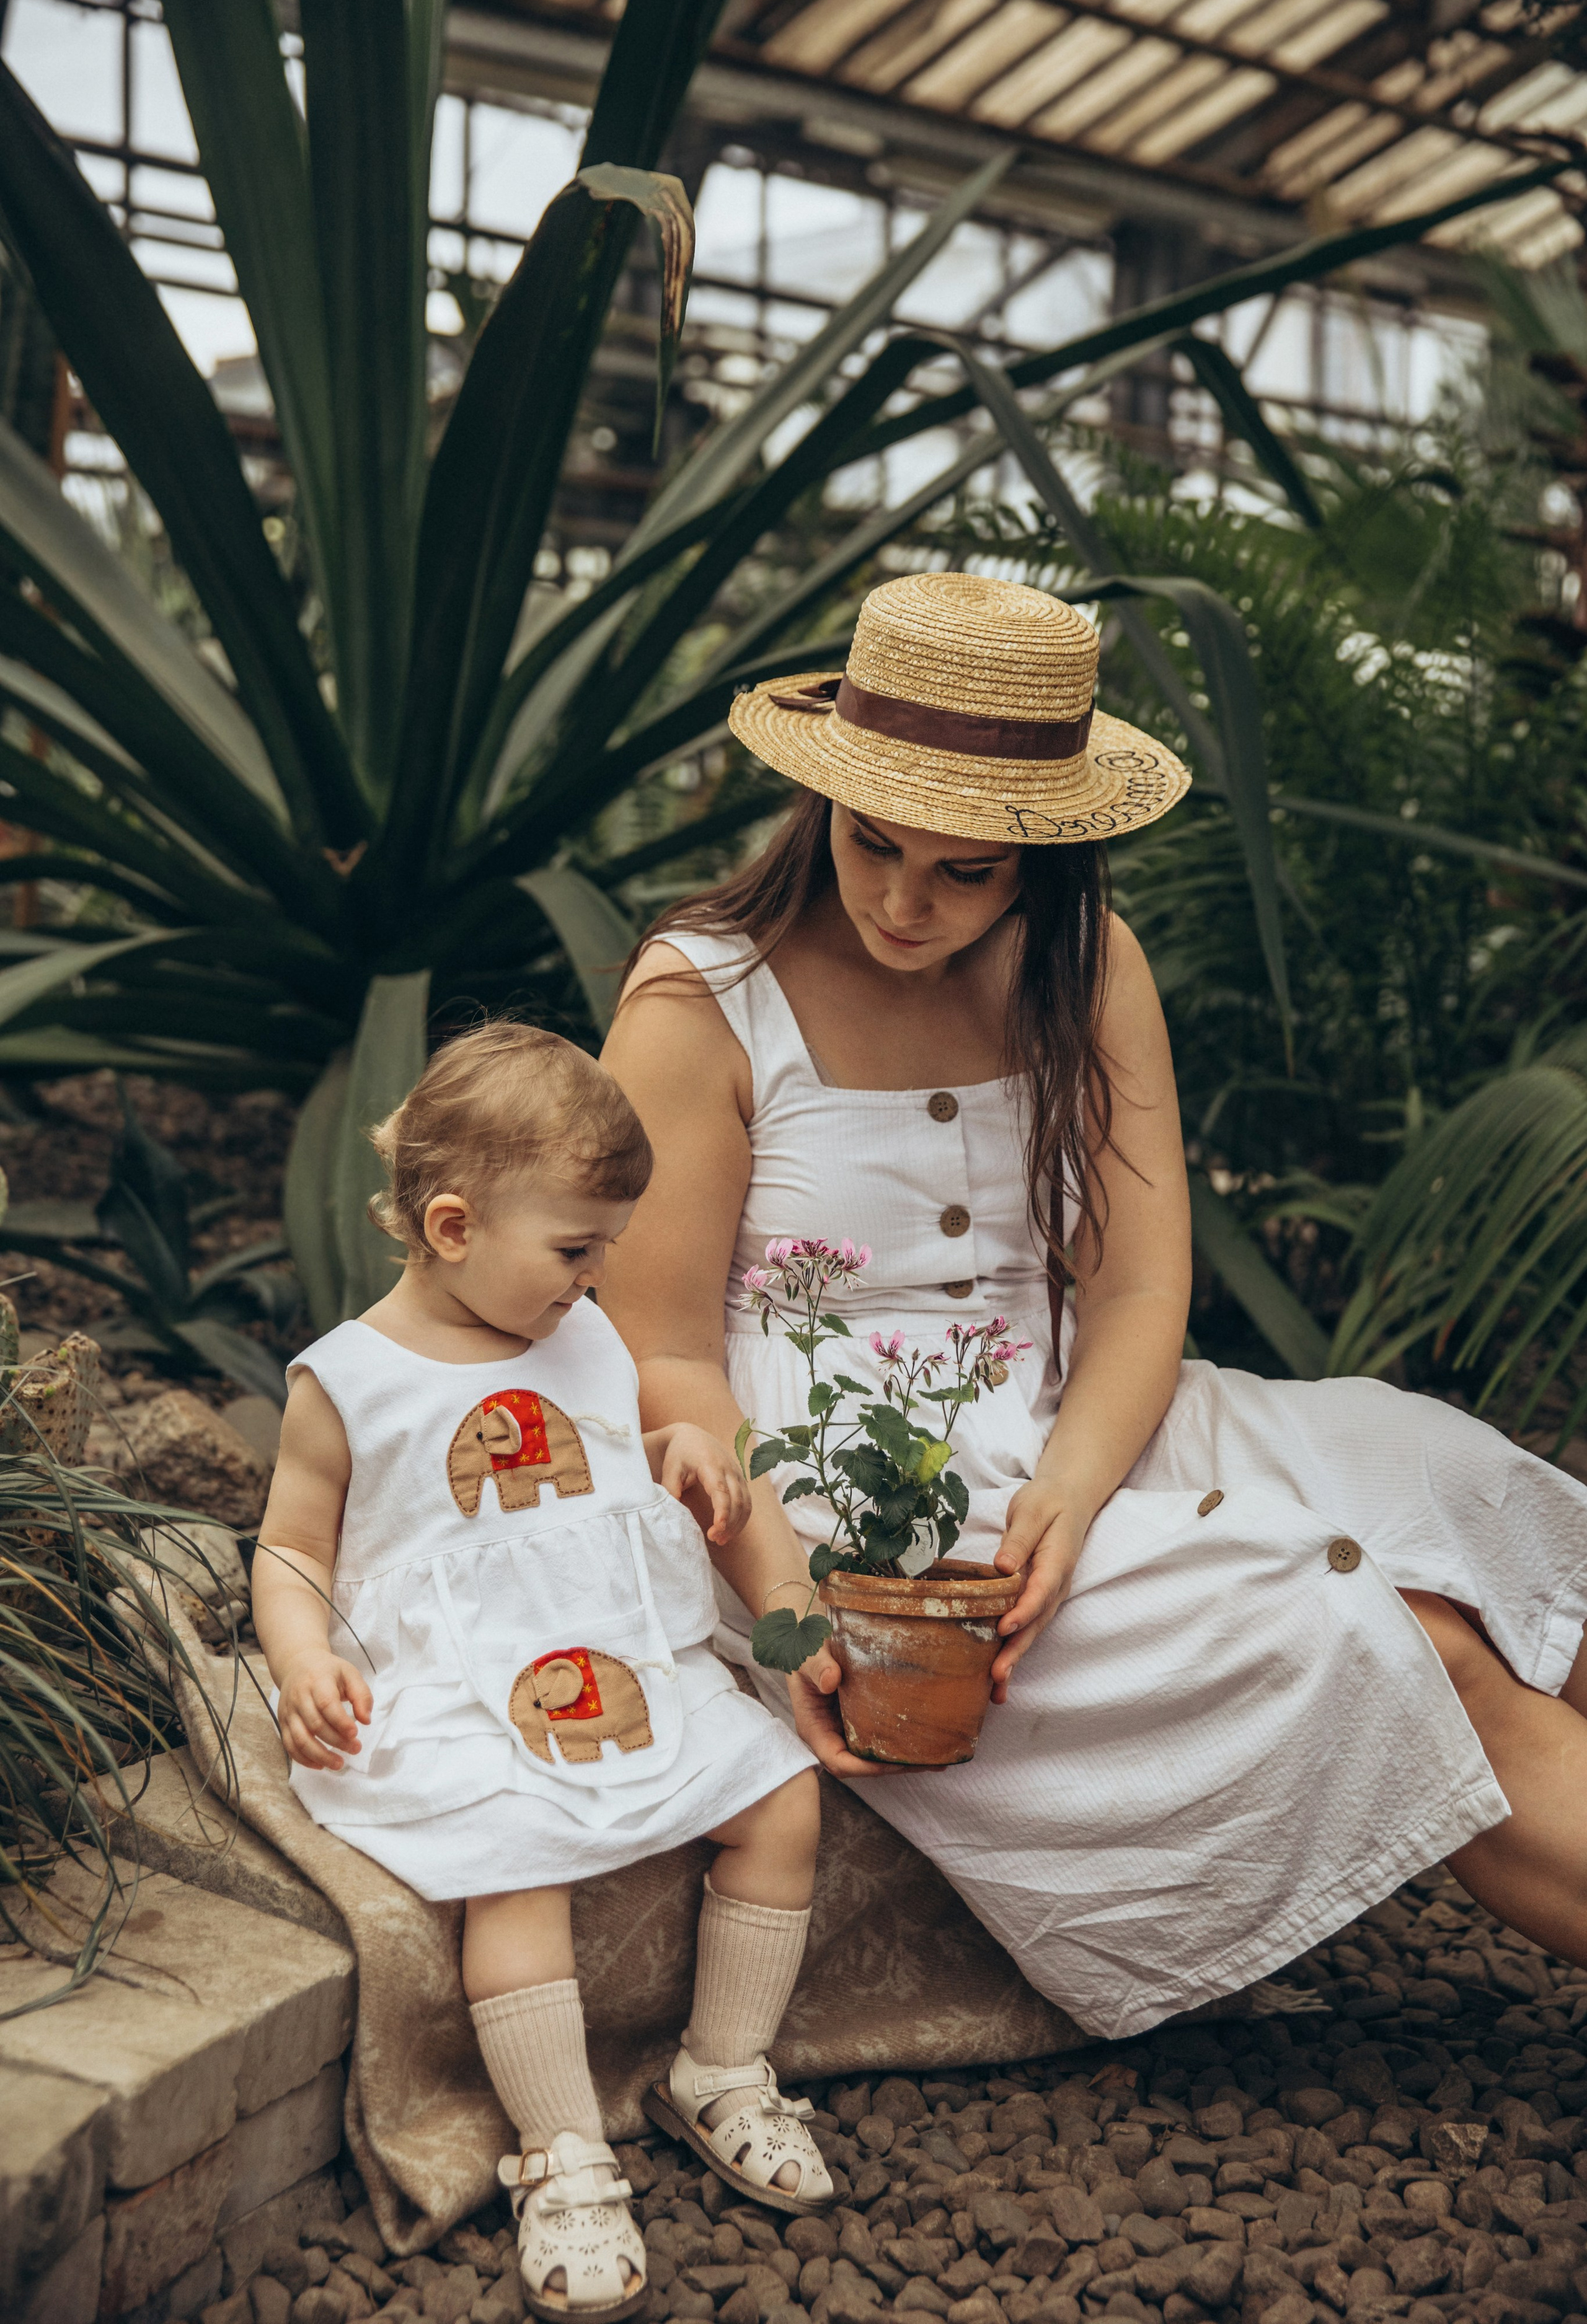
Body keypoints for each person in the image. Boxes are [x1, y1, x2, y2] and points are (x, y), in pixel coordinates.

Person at [600, 569, 1587, 2043]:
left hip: (1079, 1411)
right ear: (818, 804)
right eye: (872, 846)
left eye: (965, 870)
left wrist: (1068, 1484)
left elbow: (1133, 1285)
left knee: (1472, 1487)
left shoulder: (1082, 960)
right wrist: (792, 1611)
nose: (903, 901)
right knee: (1394, 1635)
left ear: (1043, 859)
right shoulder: (702, 999)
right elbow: (661, 1354)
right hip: (847, 1490)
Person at [252, 1023, 831, 2323]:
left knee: (781, 1800)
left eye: (606, 1247)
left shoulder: (581, 1332)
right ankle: (561, 2150)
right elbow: (291, 1549)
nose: (596, 1276)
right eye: (576, 1248)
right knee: (511, 1871)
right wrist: (301, 1660)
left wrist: (679, 1446)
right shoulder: (349, 1383)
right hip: (460, 1687)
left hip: (616, 1652)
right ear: (451, 1227)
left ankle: (721, 2069)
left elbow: (608, 1451)